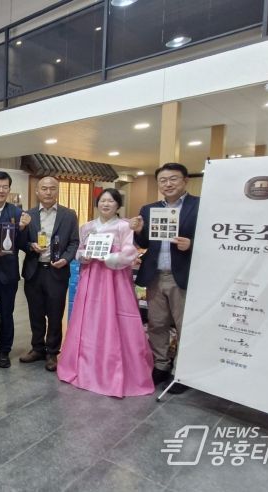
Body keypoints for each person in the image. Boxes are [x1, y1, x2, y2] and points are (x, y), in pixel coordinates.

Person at [57, 188, 154, 397]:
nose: (106, 204)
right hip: (91, 277)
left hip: (114, 279)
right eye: (102, 201)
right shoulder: (87, 227)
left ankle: (114, 370)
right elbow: (79, 251)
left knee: (114, 318)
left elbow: (130, 252)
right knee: (89, 319)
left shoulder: (124, 226)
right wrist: (84, 256)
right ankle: (85, 365)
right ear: (97, 203)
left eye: (111, 201)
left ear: (118, 205)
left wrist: (109, 257)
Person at [129, 163, 200, 394]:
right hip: (155, 275)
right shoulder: (149, 209)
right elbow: (144, 243)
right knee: (157, 323)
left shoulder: (199, 206)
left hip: (183, 276)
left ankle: (181, 371)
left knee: (184, 325)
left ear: (185, 180)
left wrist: (192, 244)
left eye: (173, 179)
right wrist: (138, 231)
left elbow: (214, 239)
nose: (168, 184)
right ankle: (160, 364)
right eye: (163, 180)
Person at [20, 177, 79, 371]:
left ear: (57, 191)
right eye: (44, 188)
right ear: (37, 191)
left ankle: (52, 352)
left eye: (52, 188)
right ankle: (37, 348)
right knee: (35, 312)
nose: (48, 192)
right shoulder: (27, 215)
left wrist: (66, 259)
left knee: (55, 313)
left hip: (57, 270)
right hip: (34, 270)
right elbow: (20, 241)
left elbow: (74, 242)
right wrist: (30, 245)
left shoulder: (69, 215)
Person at [0, 171, 30, 368]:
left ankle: (4, 350)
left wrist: (23, 228)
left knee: (6, 312)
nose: (1, 190)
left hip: (7, 272)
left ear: (9, 189)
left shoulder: (17, 213)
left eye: (5, 187)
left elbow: (24, 244)